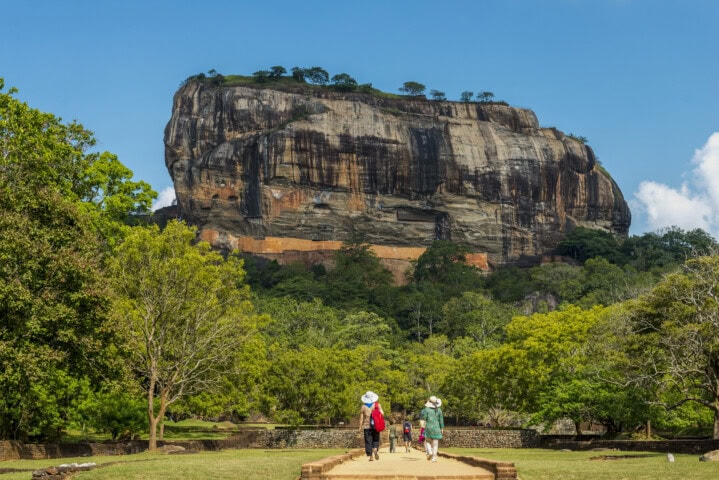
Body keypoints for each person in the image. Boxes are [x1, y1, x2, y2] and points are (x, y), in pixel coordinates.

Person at [358, 390, 383, 461]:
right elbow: (382, 414)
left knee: (368, 441)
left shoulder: (363, 407)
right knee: (376, 439)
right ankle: (375, 448)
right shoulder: (377, 405)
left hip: (366, 426)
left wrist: (360, 427)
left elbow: (361, 418)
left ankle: (371, 456)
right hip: (376, 425)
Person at [419, 395, 444, 462]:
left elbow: (424, 419)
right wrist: (442, 428)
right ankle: (434, 458)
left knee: (427, 441)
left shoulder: (427, 410)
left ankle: (430, 452)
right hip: (437, 428)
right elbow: (441, 420)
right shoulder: (439, 410)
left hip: (428, 427)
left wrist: (422, 426)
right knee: (435, 443)